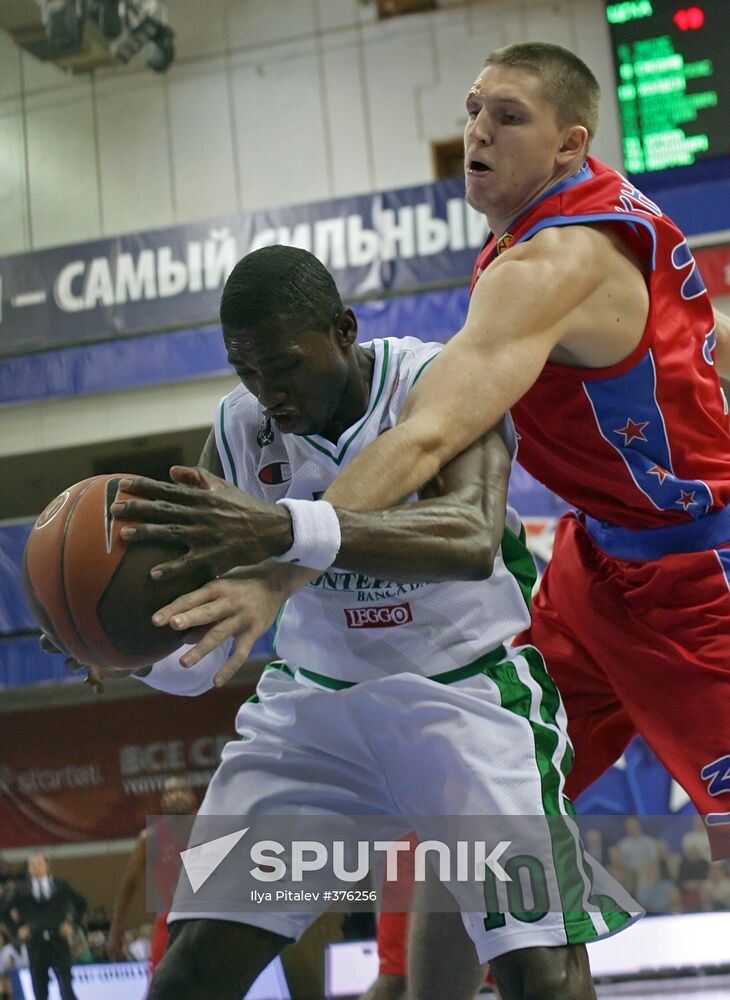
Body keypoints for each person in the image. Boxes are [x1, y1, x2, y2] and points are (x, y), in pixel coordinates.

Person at [107, 40, 730, 987]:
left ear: (571, 145)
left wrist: (281, 563)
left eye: (507, 117)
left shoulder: (546, 265)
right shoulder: (554, 234)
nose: (477, 131)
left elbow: (428, 443)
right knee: (474, 818)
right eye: (474, 109)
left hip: (700, 581)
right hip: (595, 564)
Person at [90, 245, 638, 1000]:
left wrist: (288, 531)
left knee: (543, 979)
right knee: (189, 975)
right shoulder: (239, 428)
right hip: (316, 719)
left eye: (283, 364)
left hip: (465, 705)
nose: (268, 391)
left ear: (344, 329)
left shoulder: (436, 379)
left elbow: (472, 536)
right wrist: (126, 647)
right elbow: (215, 614)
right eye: (247, 371)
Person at [106, 776, 197, 969]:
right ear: (163, 802)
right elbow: (129, 884)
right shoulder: (150, 837)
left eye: (182, 790)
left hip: (204, 920)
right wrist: (116, 930)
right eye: (170, 792)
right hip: (169, 921)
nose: (177, 796)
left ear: (192, 797)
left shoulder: (209, 829)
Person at [14, 853, 86, 1000]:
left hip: (58, 940)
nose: (36, 867)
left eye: (39, 863)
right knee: (40, 990)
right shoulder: (22, 889)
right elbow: (4, 910)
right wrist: (18, 928)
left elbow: (81, 903)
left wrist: (72, 924)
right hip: (36, 943)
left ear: (47, 865)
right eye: (32, 864)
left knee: (67, 987)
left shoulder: (60, 884)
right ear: (28, 869)